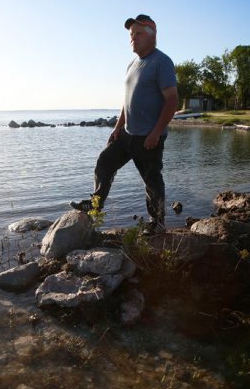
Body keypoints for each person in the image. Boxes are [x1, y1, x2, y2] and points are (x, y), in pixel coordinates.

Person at [71, 14, 178, 234]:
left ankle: (157, 223)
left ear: (152, 35)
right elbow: (127, 100)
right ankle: (95, 205)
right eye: (131, 35)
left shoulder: (161, 62)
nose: (133, 38)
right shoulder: (132, 64)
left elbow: (172, 100)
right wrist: (118, 127)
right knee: (104, 162)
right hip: (128, 134)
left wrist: (156, 133)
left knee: (151, 179)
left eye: (138, 33)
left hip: (148, 136)